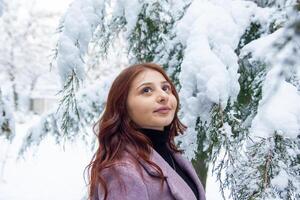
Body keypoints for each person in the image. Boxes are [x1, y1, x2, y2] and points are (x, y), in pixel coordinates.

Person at [86, 63, 206, 200]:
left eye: (166, 88)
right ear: (122, 107)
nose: (163, 96)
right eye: (147, 90)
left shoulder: (173, 156)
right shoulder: (122, 170)